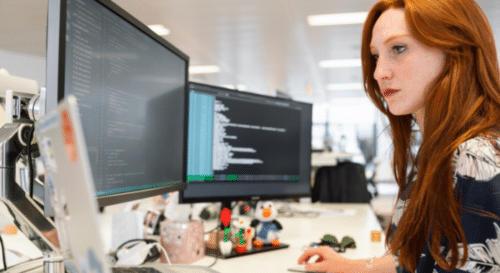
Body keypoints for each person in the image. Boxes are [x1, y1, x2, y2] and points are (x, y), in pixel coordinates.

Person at [297, 0, 500, 272]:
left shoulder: (475, 158)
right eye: (376, 55)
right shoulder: (443, 149)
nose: (379, 73)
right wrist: (353, 266)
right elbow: (427, 261)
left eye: (398, 48)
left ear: (456, 50)